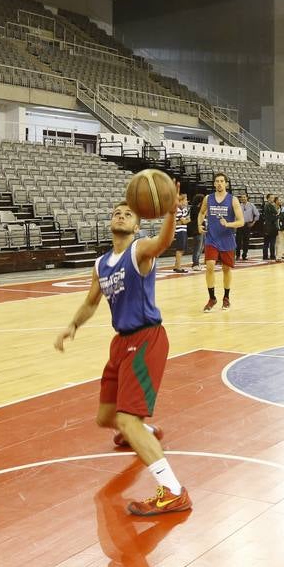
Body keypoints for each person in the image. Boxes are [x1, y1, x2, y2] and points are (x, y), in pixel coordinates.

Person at [54, 199, 191, 515]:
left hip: (146, 340)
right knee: (106, 418)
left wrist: (171, 212)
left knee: (127, 419)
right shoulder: (101, 264)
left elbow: (165, 241)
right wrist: (72, 325)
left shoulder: (139, 251)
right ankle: (141, 432)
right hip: (120, 344)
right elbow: (91, 301)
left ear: (137, 227)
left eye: (129, 214)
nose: (121, 215)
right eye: (117, 212)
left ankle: (172, 491)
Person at [198, 172, 244, 311]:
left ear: (226, 184)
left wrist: (228, 224)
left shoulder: (233, 200)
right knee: (210, 266)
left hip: (227, 238)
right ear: (214, 183)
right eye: (217, 181)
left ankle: (226, 297)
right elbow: (201, 213)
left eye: (222, 181)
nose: (219, 183)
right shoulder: (208, 198)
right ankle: (212, 298)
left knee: (226, 269)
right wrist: (199, 225)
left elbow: (241, 221)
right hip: (211, 238)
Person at [237, 194, 259, 261]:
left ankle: (244, 255)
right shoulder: (238, 205)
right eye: (242, 197)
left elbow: (257, 214)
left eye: (244, 197)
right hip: (240, 224)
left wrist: (253, 222)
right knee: (238, 240)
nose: (243, 198)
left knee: (246, 240)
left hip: (247, 224)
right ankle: (237, 255)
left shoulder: (251, 205)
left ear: (247, 198)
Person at [185, 192, 203, 270]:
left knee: (200, 247)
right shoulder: (195, 208)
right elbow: (197, 218)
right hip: (196, 230)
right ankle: (195, 264)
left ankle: (197, 263)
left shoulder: (199, 208)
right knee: (197, 247)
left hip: (201, 229)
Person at [260, 194, 278, 261]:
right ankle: (272, 256)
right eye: (271, 198)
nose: (272, 199)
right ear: (268, 198)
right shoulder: (269, 205)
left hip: (267, 225)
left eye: (273, 198)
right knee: (271, 242)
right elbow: (275, 213)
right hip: (271, 226)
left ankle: (265, 256)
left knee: (266, 242)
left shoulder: (266, 205)